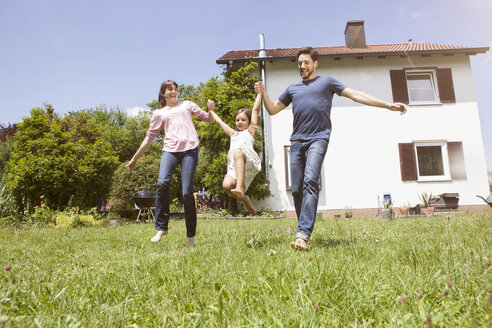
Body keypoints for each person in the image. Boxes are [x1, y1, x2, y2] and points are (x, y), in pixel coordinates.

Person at [255, 47, 407, 250]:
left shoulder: (327, 82)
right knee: (297, 189)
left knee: (311, 180)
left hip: (318, 139)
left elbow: (355, 95)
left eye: (306, 62)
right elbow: (273, 109)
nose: (302, 66)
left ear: (315, 63)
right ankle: (303, 227)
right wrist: (264, 94)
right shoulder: (293, 89)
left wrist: (387, 105)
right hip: (296, 142)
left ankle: (303, 234)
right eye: (299, 63)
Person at [126, 80, 214, 247]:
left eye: (175, 89)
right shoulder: (159, 114)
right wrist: (135, 158)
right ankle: (161, 227)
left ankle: (191, 239)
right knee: (162, 183)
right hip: (170, 151)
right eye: (169, 90)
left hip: (190, 149)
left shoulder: (187, 105)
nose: (173, 92)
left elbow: (208, 120)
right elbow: (149, 138)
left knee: (187, 193)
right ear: (163, 94)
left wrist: (210, 110)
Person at [208, 93, 262, 214]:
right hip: (234, 165)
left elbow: (255, 109)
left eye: (243, 120)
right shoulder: (233, 134)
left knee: (238, 153)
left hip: (247, 162)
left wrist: (260, 93)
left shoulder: (250, 132)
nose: (240, 122)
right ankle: (245, 199)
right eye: (237, 120)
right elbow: (220, 122)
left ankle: (240, 187)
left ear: (249, 122)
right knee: (226, 185)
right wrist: (211, 110)